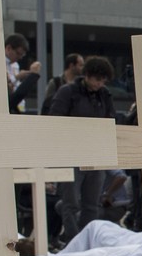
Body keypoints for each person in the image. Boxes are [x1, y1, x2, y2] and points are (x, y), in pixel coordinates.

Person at [48, 56, 117, 240]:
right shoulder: (68, 92)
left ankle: (87, 240)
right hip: (72, 153)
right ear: (87, 75)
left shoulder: (105, 95)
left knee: (92, 203)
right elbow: (55, 118)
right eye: (97, 79)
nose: (100, 84)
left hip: (95, 155)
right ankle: (72, 239)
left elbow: (111, 120)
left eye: (103, 81)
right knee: (71, 202)